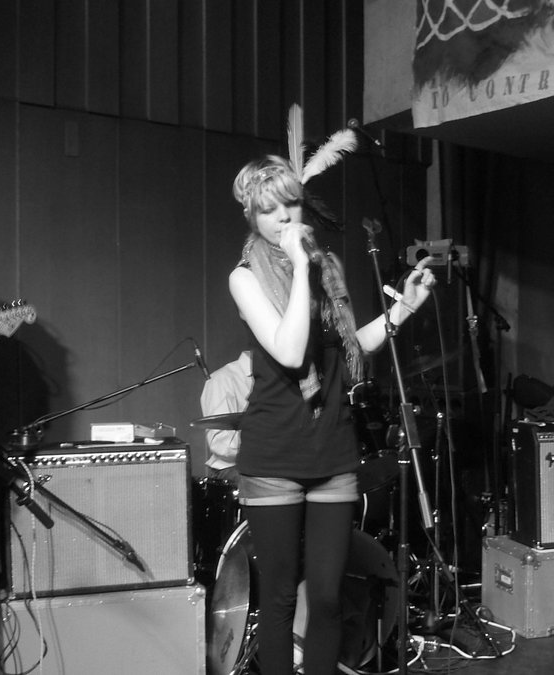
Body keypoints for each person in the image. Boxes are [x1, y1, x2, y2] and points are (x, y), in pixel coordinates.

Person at [227, 153, 436, 675]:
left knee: (325, 598)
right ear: (252, 217)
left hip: (334, 450)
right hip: (274, 453)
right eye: (270, 210)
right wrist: (301, 268)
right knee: (278, 598)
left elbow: (350, 348)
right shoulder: (245, 278)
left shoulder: (327, 269)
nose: (284, 217)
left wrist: (404, 308)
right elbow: (290, 351)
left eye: (291, 204)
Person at [200, 350, 253, 484]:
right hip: (231, 467)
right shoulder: (222, 379)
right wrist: (266, 444)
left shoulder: (280, 380)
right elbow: (221, 445)